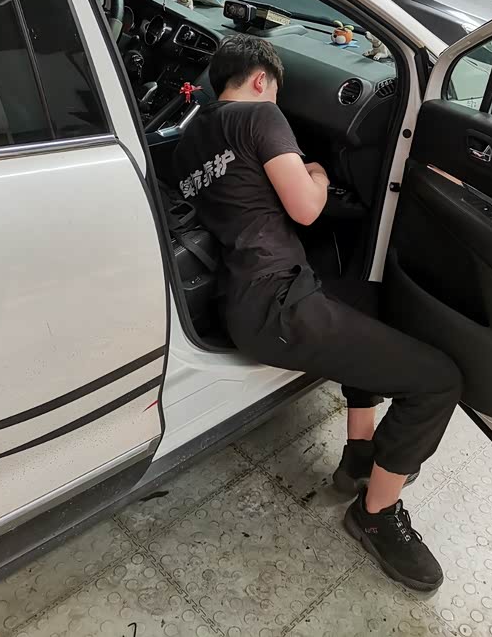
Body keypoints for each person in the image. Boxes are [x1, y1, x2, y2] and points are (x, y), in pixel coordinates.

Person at [174, 34, 462, 592]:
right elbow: (308, 209)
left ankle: (359, 453)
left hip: (245, 298)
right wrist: (320, 173)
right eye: (275, 91)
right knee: (438, 382)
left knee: (366, 298)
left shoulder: (192, 138)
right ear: (262, 79)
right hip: (279, 305)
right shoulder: (260, 116)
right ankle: (375, 516)